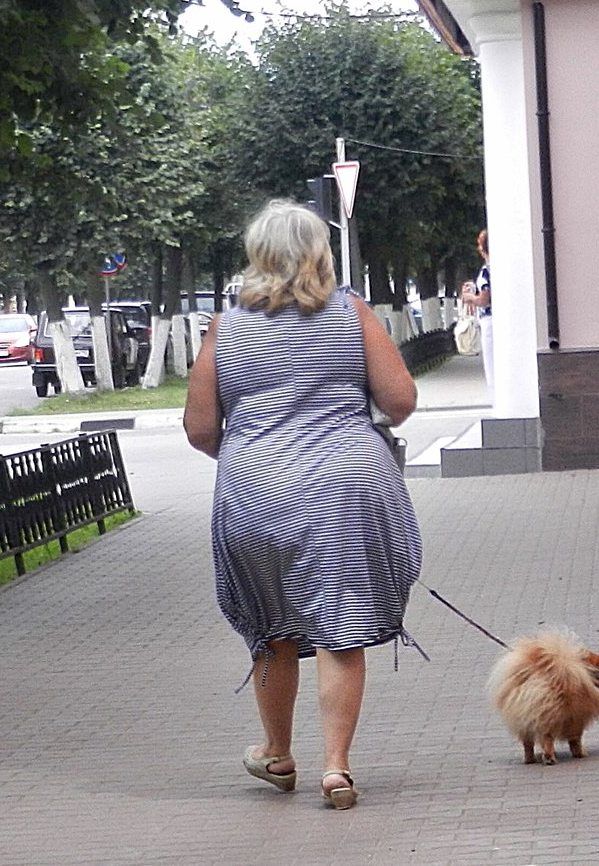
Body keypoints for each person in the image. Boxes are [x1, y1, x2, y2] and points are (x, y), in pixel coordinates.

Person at [183, 199, 423, 810]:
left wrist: (256, 457)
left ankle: (276, 752)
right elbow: (400, 403)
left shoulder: (225, 328)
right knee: (343, 630)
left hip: (254, 495)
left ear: (257, 255)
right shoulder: (352, 315)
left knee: (272, 630)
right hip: (348, 490)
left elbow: (200, 429)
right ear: (321, 251)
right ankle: (336, 768)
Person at [461, 229, 493, 400]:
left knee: (491, 367)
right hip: (495, 320)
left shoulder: (487, 270)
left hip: (489, 321)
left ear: (483, 249)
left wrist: (470, 297)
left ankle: (497, 402)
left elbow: (484, 299)